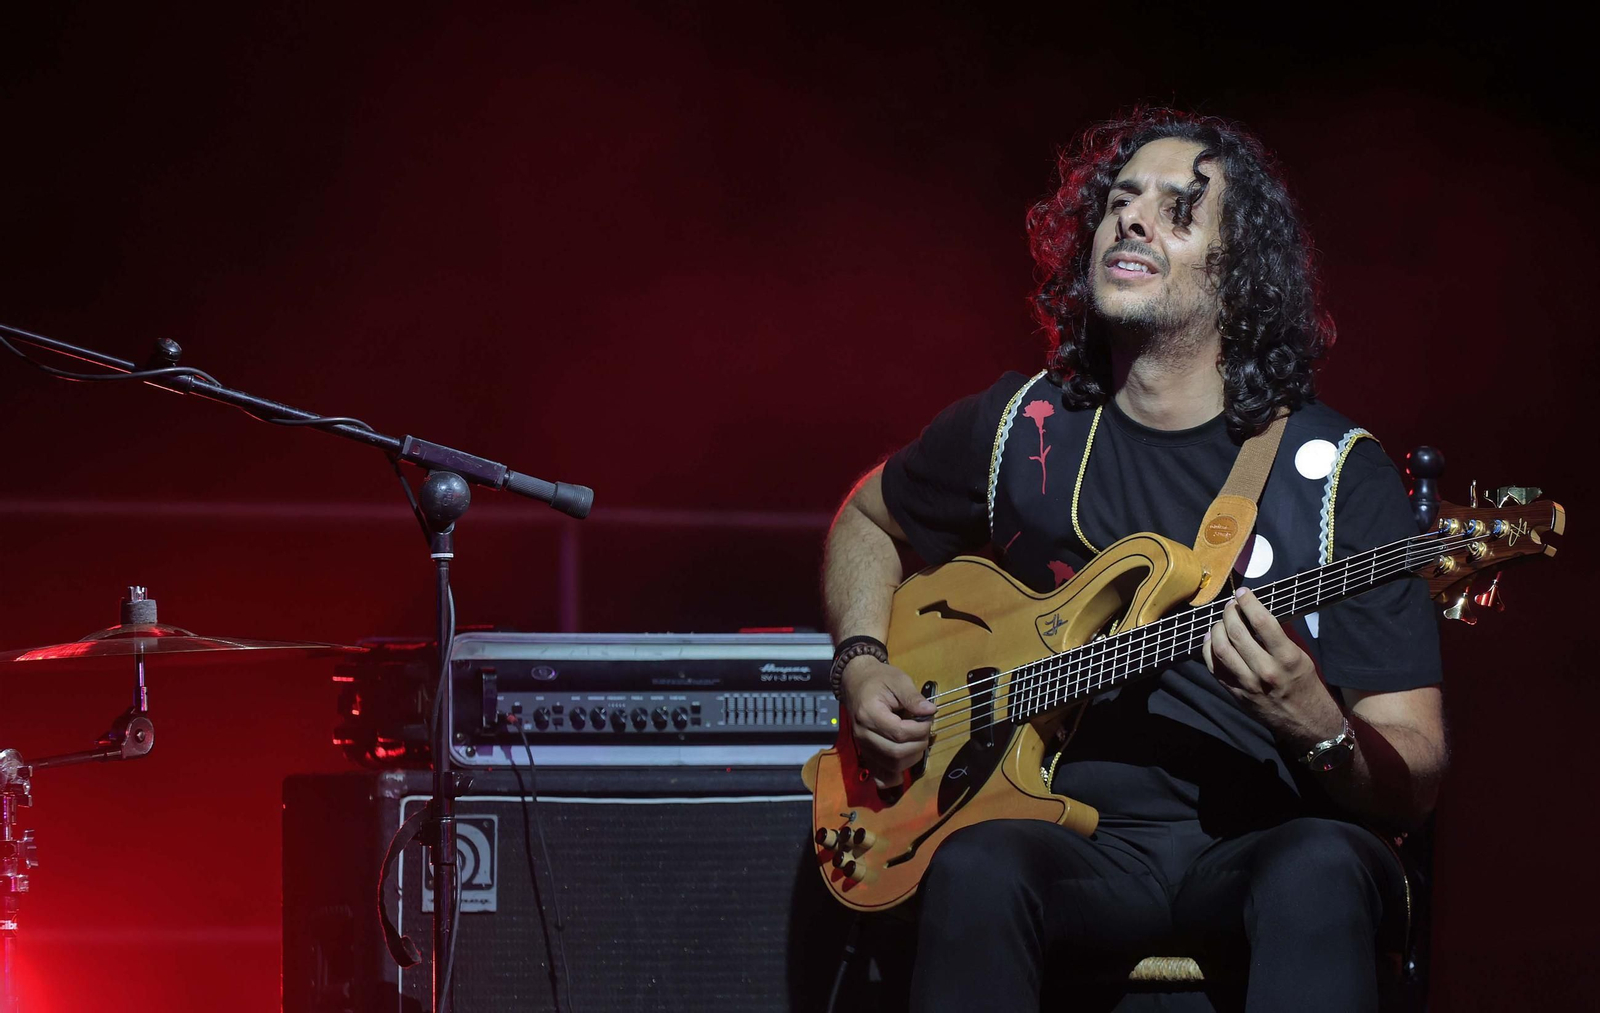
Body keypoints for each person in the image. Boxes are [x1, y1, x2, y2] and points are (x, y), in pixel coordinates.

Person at [821, 109, 1447, 1012]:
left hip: (1263, 843)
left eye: (1180, 209)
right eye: (1121, 202)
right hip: (1069, 837)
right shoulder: (1023, 427)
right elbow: (864, 518)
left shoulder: (1336, 468)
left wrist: (1316, 721)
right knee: (978, 866)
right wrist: (863, 660)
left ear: (1238, 273)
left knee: (1318, 865)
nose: (1134, 220)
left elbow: (1417, 768)